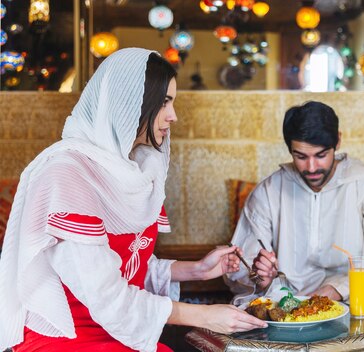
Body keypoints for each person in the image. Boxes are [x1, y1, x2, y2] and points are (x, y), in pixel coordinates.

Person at [0, 48, 266, 352]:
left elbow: (129, 265)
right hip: (69, 339)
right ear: (130, 103)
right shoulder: (67, 173)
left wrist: (196, 270)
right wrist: (204, 315)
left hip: (116, 334)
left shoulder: (136, 168)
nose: (173, 116)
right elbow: (106, 294)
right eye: (165, 102)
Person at [225, 101, 364, 316]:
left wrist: (336, 289)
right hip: (281, 296)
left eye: (320, 155)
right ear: (290, 150)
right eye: (301, 157)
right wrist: (262, 279)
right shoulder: (268, 191)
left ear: (338, 141)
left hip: (350, 296)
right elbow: (240, 269)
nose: (312, 167)